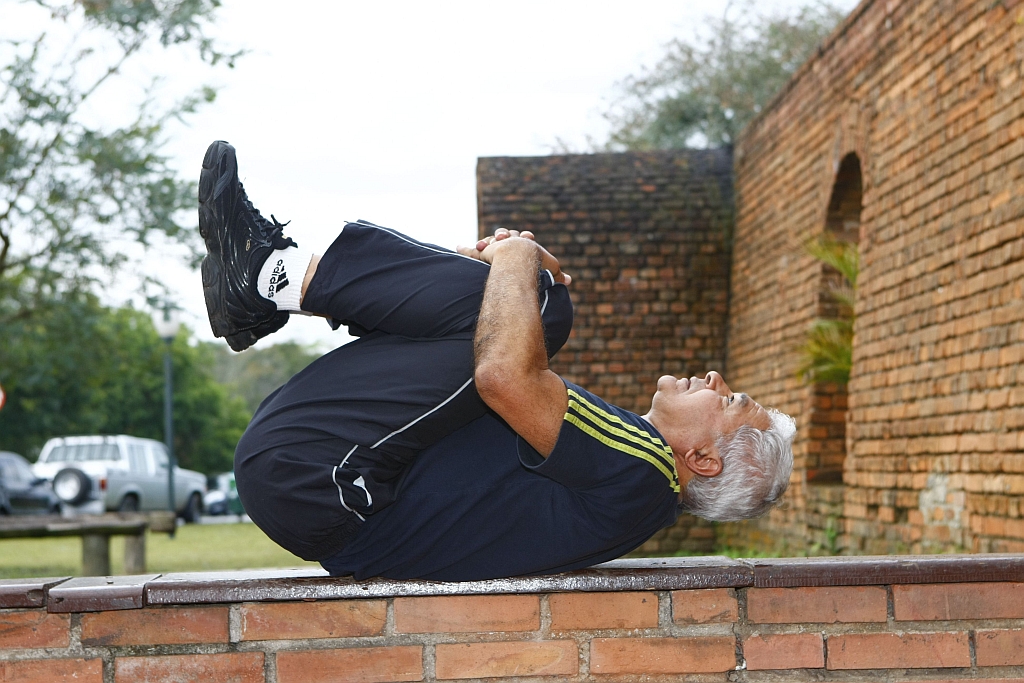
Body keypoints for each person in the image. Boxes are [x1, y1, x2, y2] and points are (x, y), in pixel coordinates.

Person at [198, 140, 796, 581]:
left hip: (323, 482)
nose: (719, 381)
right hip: (318, 481)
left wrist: (518, 255)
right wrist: (498, 271)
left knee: (538, 304)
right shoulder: (633, 486)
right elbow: (489, 359)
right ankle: (270, 283)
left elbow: (503, 376)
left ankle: (269, 279)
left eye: (733, 402)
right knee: (519, 307)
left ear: (702, 460)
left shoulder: (643, 466)